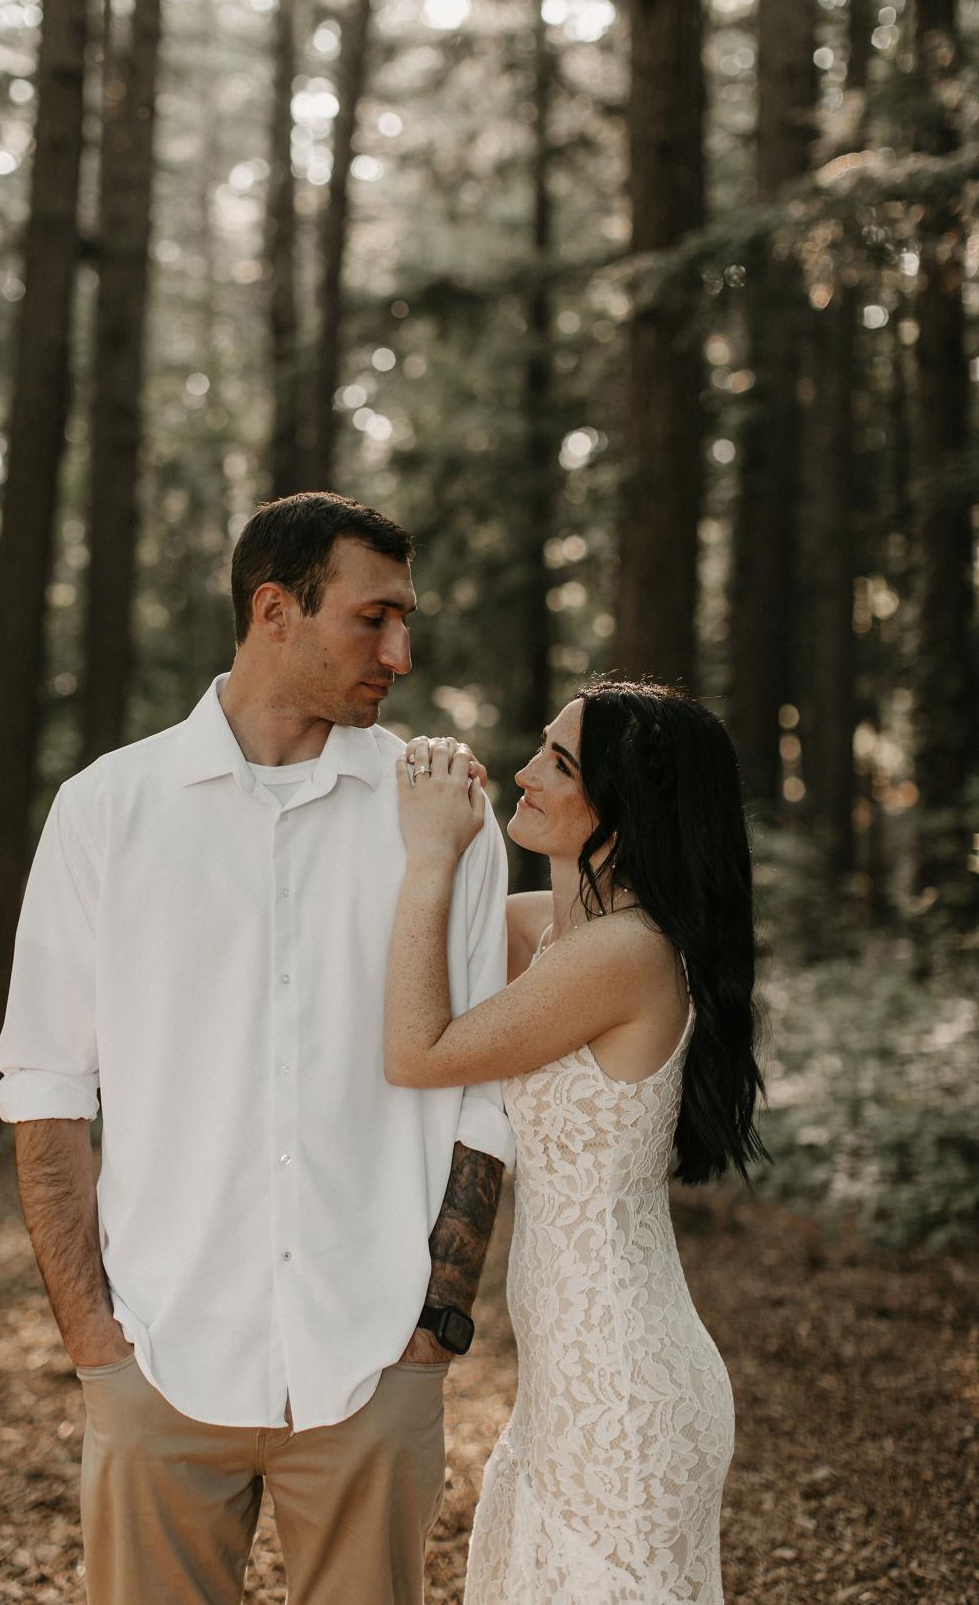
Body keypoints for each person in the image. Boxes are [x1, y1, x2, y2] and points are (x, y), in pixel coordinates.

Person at [0, 491, 515, 1605]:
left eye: (406, 620)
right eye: (372, 619)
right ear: (275, 610)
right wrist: (95, 1346)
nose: (401, 653)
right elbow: (45, 1086)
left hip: (375, 1362)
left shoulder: (448, 817)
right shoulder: (105, 811)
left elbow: (486, 1091)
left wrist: (433, 1331)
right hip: (160, 1359)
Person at [385, 681, 766, 1604]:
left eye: (559, 763)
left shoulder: (625, 953)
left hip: (622, 1392)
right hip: (572, 1386)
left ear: (626, 809)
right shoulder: (562, 936)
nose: (524, 772)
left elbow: (415, 1050)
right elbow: (436, 943)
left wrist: (433, 853)